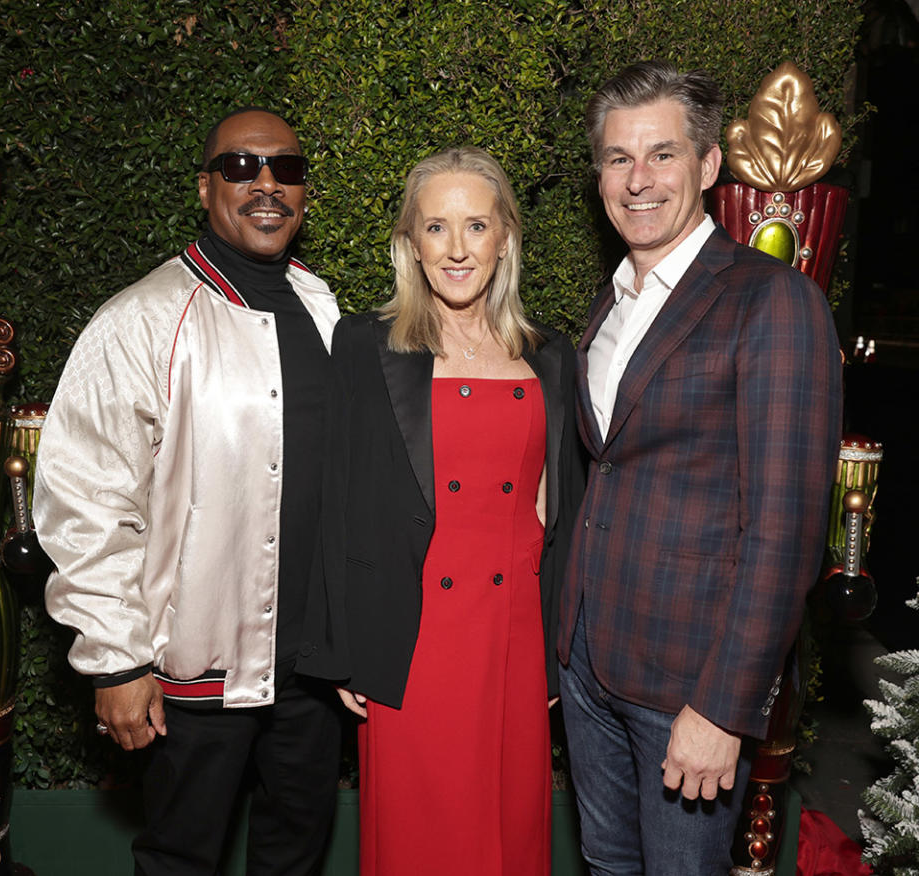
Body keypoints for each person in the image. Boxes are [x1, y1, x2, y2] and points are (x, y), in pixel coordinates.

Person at [34, 107, 341, 876]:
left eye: (287, 170)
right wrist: (115, 662)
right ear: (205, 189)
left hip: (312, 674)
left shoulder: (323, 305)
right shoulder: (141, 318)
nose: (267, 184)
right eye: (241, 167)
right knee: (180, 861)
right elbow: (86, 501)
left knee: (295, 858)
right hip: (193, 670)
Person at [558, 61, 843, 875]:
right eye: (617, 159)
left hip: (691, 680)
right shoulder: (608, 306)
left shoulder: (773, 303)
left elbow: (786, 532)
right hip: (589, 663)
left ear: (710, 165)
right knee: (608, 865)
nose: (637, 180)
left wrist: (724, 706)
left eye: (662, 154)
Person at [296, 147, 584, 876]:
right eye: (436, 228)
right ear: (409, 244)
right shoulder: (366, 346)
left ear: (506, 239)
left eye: (477, 226)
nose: (457, 248)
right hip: (409, 638)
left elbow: (566, 516)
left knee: (509, 827)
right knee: (421, 837)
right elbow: (337, 500)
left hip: (516, 636)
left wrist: (561, 651)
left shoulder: (551, 355)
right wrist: (342, 646)